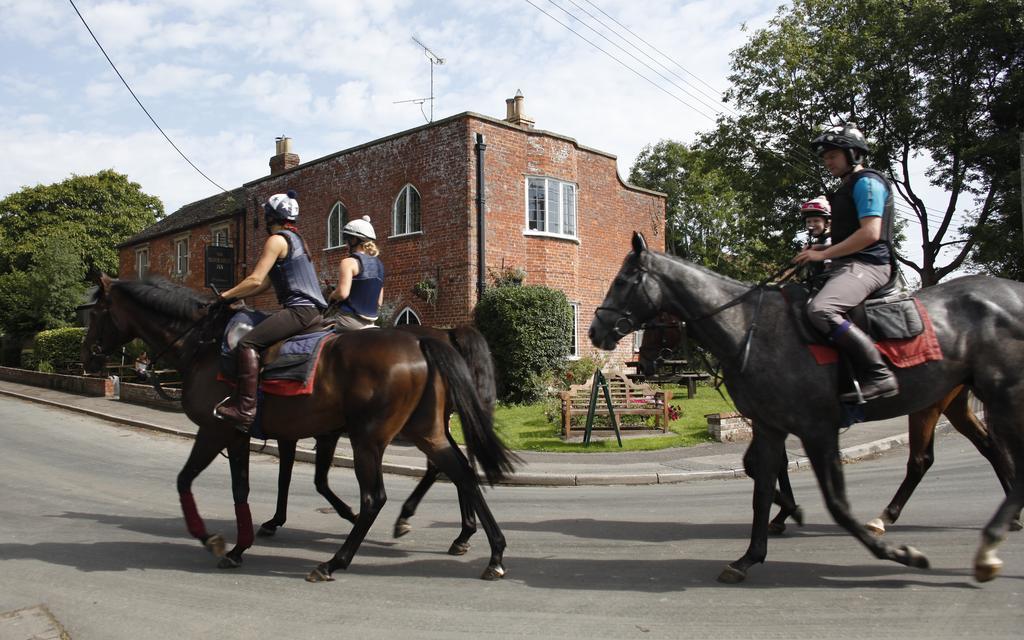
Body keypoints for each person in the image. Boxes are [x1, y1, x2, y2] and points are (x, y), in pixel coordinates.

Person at [793, 123, 898, 403]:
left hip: (870, 266)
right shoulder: (846, 187)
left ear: (853, 154)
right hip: (848, 264)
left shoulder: (867, 182)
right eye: (825, 157)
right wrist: (822, 247)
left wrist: (822, 254)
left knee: (821, 310)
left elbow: (870, 233)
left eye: (832, 155)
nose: (827, 162)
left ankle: (879, 375)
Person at [214, 191, 327, 432]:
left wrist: (224, 296)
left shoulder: (276, 240)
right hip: (313, 312)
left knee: (247, 343)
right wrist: (238, 295)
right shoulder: (297, 240)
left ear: (269, 217)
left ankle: (245, 409)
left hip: (299, 311)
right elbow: (265, 284)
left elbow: (255, 279)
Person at [328, 216, 384, 331]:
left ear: (354, 240)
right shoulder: (380, 265)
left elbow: (342, 294)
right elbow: (379, 302)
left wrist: (332, 295)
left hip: (348, 322)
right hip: (371, 324)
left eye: (347, 239)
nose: (346, 244)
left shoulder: (348, 262)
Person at [798, 195, 832, 286]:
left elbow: (828, 270)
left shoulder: (829, 241)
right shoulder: (817, 242)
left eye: (816, 221)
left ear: (827, 223)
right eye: (808, 222)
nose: (811, 225)